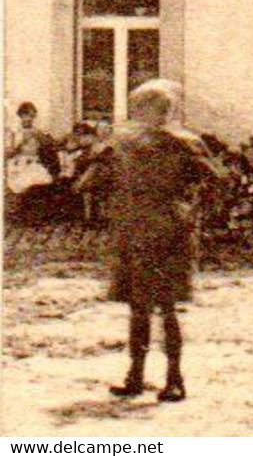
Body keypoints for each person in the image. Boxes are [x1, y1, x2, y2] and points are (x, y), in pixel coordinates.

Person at [76, 80, 223, 402]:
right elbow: (217, 179)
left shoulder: (121, 142)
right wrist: (194, 211)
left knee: (140, 308)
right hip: (170, 225)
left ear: (141, 109)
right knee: (164, 308)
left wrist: (111, 192)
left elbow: (84, 183)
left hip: (137, 227)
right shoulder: (188, 142)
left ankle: (138, 376)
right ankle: (171, 379)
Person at [6, 102, 60, 199]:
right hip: (18, 165)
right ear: (20, 116)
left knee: (42, 183)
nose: (29, 119)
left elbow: (51, 146)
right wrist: (21, 142)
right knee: (19, 186)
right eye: (26, 115)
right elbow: (8, 154)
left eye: (32, 116)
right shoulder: (13, 131)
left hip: (34, 164)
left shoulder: (37, 131)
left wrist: (40, 136)